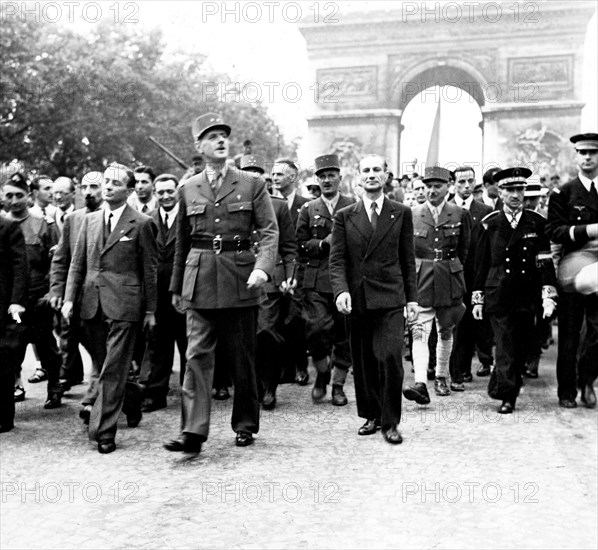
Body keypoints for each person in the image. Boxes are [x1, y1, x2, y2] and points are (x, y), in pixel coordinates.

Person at [164, 113, 278, 454]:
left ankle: (244, 424)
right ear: (199, 146)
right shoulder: (188, 187)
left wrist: (263, 268)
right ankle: (193, 432)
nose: (220, 141)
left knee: (242, 357)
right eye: (212, 136)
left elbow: (270, 232)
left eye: (224, 136)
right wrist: (176, 287)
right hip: (198, 281)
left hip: (240, 277)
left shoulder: (251, 184)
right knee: (197, 357)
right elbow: (181, 243)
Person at [62, 163, 158, 453]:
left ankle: (103, 431)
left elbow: (149, 270)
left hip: (126, 305)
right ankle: (132, 398)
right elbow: (77, 263)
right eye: (106, 181)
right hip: (91, 303)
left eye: (116, 183)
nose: (108, 187)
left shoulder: (141, 223)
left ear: (129, 191)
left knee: (114, 368)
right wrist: (68, 299)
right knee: (108, 367)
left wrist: (151, 310)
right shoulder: (89, 221)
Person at [329, 154, 418, 444]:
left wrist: (412, 299)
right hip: (358, 298)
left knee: (391, 357)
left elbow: (407, 260)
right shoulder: (345, 216)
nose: (371, 175)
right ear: (358, 177)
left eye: (376, 170)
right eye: (366, 170)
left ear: (386, 175)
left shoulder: (401, 212)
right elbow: (337, 259)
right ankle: (371, 414)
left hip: (391, 297)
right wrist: (341, 290)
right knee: (364, 360)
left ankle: (390, 422)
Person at [473, 167, 557, 413]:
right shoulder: (489, 224)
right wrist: (478, 299)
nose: (515, 195)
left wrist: (548, 296)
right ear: (500, 192)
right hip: (498, 293)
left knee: (523, 346)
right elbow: (481, 265)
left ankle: (500, 384)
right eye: (510, 190)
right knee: (505, 344)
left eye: (519, 189)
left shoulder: (537, 222)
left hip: (526, 293)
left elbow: (544, 261)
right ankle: (509, 396)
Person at [402, 166, 471, 403]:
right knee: (419, 330)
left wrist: (456, 272)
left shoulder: (459, 213)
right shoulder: (412, 213)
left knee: (446, 329)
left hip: (450, 278)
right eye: (428, 186)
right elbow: (406, 252)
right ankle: (421, 381)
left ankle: (442, 375)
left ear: (448, 187)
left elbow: (465, 250)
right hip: (421, 278)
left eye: (437, 186)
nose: (432, 191)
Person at [240, 154, 297, 410]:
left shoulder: (278, 206)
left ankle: (269, 386)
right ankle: (248, 386)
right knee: (243, 336)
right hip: (238, 277)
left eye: (256, 173)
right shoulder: (231, 203)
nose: (252, 177)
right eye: (246, 173)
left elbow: (288, 247)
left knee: (266, 333)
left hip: (270, 281)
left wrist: (288, 275)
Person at [546, 132, 598, 409]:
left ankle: (587, 379)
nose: (587, 157)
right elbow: (553, 230)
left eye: (593, 152)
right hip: (573, 273)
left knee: (597, 333)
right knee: (568, 334)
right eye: (582, 152)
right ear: (575, 156)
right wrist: (588, 230)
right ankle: (567, 391)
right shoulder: (564, 192)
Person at [296, 154, 354, 406]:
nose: (327, 180)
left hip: (346, 280)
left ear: (340, 178)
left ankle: (338, 385)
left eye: (331, 176)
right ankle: (321, 372)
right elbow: (299, 243)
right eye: (322, 176)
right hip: (316, 278)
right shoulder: (309, 209)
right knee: (315, 330)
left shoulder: (354, 205)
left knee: (345, 334)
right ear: (317, 180)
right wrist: (321, 243)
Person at [1, 176, 62, 408]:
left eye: (19, 195)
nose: (14, 201)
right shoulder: (3, 225)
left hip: (37, 296)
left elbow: (57, 262)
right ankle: (15, 385)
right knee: (9, 346)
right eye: (9, 195)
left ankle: (55, 385)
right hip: (10, 300)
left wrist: (51, 293)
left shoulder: (44, 224)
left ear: (28, 196)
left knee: (45, 343)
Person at [49, 171, 105, 392]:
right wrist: (57, 291)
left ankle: (94, 399)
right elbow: (61, 260)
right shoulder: (73, 220)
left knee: (105, 351)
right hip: (79, 299)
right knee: (90, 347)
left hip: (110, 299)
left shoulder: (117, 218)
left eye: (94, 187)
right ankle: (122, 393)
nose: (89, 192)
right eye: (85, 188)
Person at [138, 174, 188, 413]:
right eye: (161, 193)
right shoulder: (147, 220)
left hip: (184, 291)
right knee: (158, 344)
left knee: (189, 343)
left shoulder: (188, 217)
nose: (166, 196)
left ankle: (191, 393)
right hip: (157, 294)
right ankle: (156, 394)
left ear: (177, 191)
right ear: (155, 194)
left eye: (170, 191)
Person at [448, 166, 494, 386]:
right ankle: (444, 367)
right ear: (453, 184)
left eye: (470, 182)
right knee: (449, 323)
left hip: (474, 275)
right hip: (449, 274)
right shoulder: (445, 208)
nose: (466, 186)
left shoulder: (484, 211)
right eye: (461, 182)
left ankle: (463, 368)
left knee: (469, 323)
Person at [271, 158, 310, 384]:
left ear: (293, 177)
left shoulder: (306, 205)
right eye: (273, 174)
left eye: (280, 174)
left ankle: (301, 366)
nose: (275, 178)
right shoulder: (265, 203)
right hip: (273, 268)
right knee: (275, 320)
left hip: (298, 269)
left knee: (295, 319)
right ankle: (283, 368)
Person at [0, 215, 28, 432]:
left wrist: (16, 301)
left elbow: (20, 268)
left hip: (3, 306)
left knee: (3, 362)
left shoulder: (9, 227)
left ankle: (4, 417)